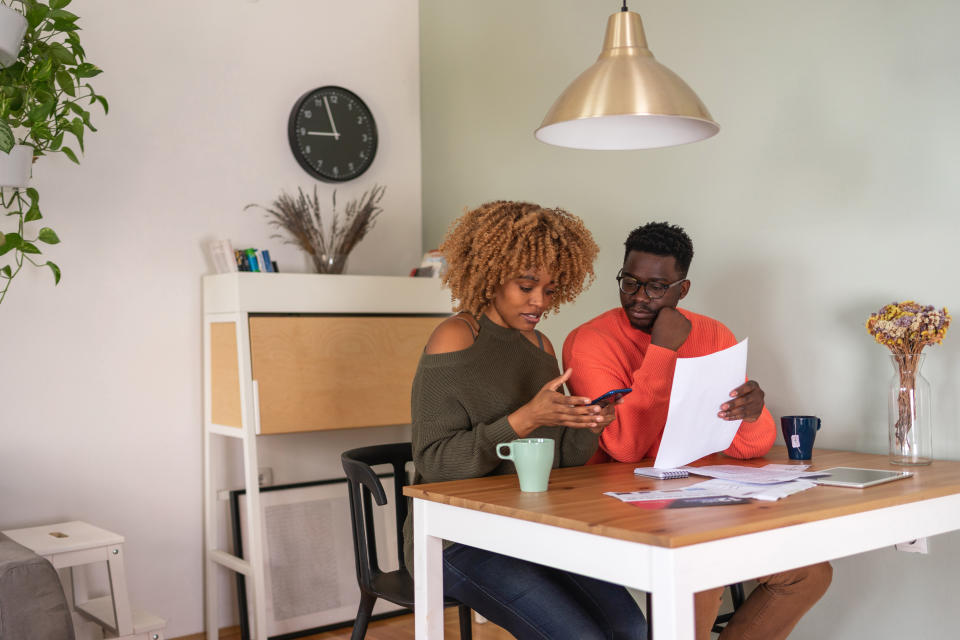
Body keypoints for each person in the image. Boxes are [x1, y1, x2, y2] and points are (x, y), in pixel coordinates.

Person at [562, 221, 831, 640]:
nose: (638, 297)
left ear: (681, 291)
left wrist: (751, 413)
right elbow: (626, 447)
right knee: (701, 567)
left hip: (703, 499)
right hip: (621, 501)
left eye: (656, 287)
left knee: (810, 574)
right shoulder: (590, 342)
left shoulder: (713, 335)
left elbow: (749, 449)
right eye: (629, 282)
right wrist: (663, 351)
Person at [402, 201, 647, 640]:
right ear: (492, 275)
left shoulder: (541, 346)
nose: (540, 303)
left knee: (631, 627)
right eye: (526, 286)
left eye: (551, 291)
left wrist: (588, 424)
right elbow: (435, 464)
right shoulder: (456, 337)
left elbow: (559, 464)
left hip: (530, 528)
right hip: (457, 537)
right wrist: (524, 419)